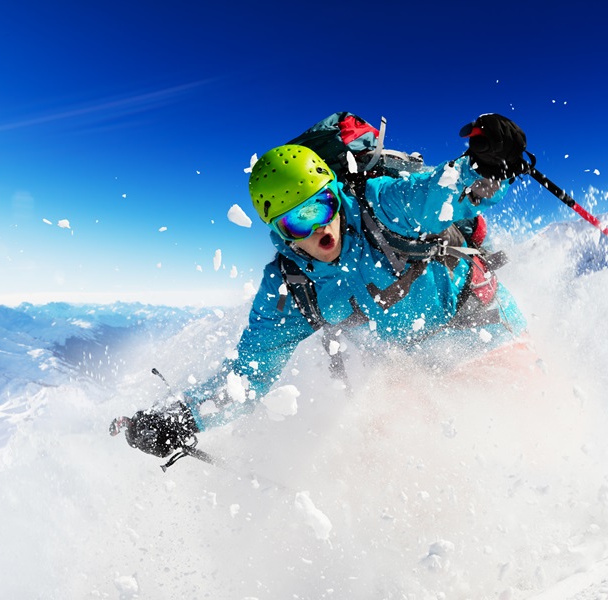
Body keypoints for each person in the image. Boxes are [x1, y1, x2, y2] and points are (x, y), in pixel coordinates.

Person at [121, 113, 530, 459]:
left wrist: (486, 165)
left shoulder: (381, 206)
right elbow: (248, 377)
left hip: (484, 332)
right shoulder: (291, 286)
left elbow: (436, 193)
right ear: (282, 234)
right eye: (298, 221)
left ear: (336, 192)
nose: (318, 228)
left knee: (517, 436)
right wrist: (181, 419)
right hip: (415, 365)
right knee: (383, 464)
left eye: (322, 205)